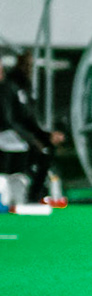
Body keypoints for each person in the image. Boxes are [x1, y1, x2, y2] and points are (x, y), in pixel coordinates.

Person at [0, 52, 66, 204]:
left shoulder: (19, 87)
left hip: (15, 134)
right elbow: (9, 121)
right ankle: (24, 194)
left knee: (45, 150)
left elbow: (26, 119)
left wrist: (44, 135)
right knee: (33, 151)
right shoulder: (8, 88)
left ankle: (35, 195)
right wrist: (32, 139)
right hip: (7, 135)